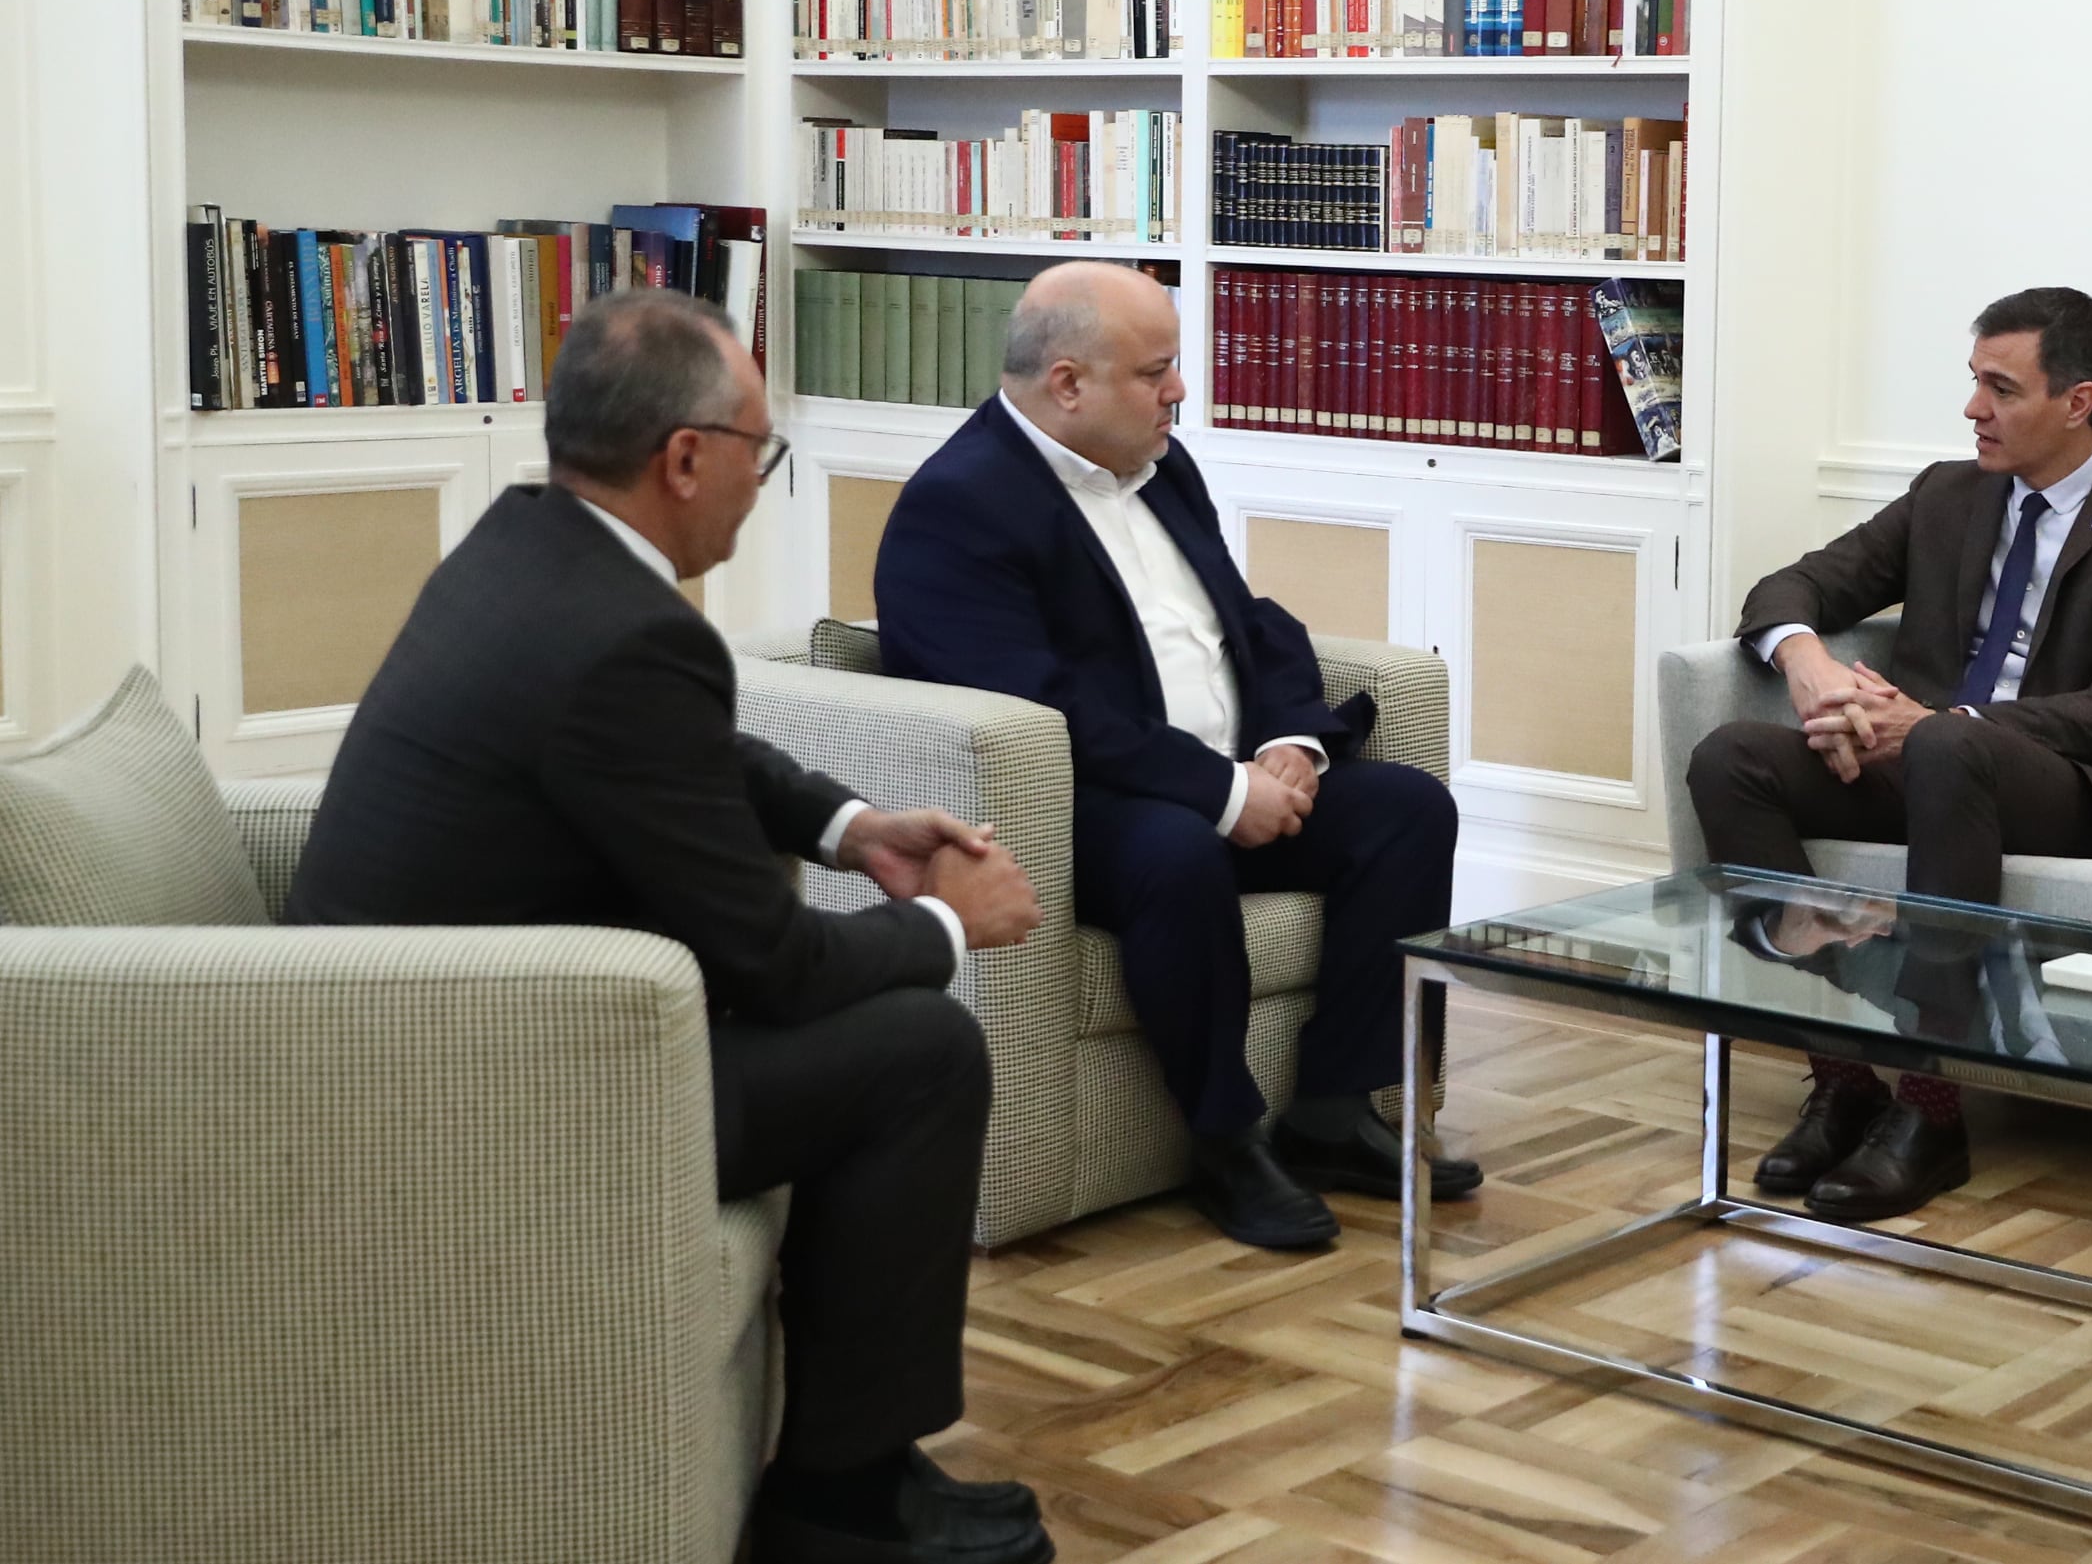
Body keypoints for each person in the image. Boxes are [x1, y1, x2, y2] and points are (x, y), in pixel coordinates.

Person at [286, 289, 1052, 1564]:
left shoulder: (532, 545)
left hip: (416, 1029)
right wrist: (949, 927)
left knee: (890, 1038)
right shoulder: (622, 634)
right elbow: (784, 966)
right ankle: (842, 1501)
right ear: (686, 457)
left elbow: (693, 752)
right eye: (761, 450)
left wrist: (852, 828)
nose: (762, 485)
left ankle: (859, 1460)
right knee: (919, 1053)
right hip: (479, 1088)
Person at [873, 262, 1479, 1254]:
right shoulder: (959, 506)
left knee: (1406, 811)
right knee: (1175, 850)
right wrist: (1219, 791)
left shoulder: (1164, 466)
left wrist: (1289, 743)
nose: (1180, 392)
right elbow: (1042, 708)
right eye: (1157, 371)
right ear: (1067, 384)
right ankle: (1224, 1138)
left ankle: (1332, 1107)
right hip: (1086, 810)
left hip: (1222, 776)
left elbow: (1243, 622)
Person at [1685, 287, 2092, 1220]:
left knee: (1944, 747)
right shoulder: (1948, 493)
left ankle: (1931, 1111)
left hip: (2076, 791)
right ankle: (1842, 1075)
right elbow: (1793, 584)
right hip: (1933, 764)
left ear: (2078, 401)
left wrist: (1939, 722)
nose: (1973, 407)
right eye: (1973, 381)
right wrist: (1808, 664)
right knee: (1732, 755)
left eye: (1999, 388)